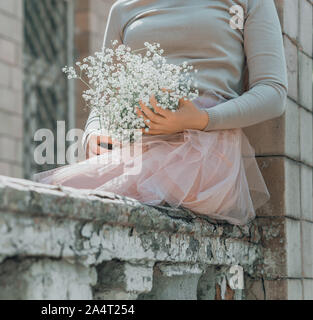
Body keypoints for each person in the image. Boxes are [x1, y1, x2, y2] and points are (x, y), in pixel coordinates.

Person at [35, 0, 288, 226]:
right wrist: (94, 131)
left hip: (203, 150)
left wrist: (201, 119)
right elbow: (105, 96)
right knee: (50, 194)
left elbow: (273, 92)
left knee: (61, 198)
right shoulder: (123, 8)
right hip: (134, 149)